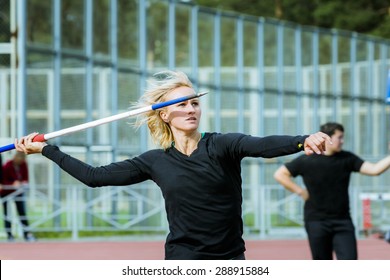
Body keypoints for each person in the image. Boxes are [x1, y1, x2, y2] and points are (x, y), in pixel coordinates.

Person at [14, 70, 331, 259]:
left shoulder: (221, 145)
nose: (192, 109)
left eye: (195, 102)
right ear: (165, 114)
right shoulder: (154, 161)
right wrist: (46, 150)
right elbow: (94, 177)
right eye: (182, 104)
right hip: (183, 258)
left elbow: (261, 145)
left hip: (232, 258)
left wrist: (303, 140)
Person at [273, 122, 390, 260]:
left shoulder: (347, 158)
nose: (342, 141)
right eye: (339, 137)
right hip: (316, 222)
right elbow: (280, 174)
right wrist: (300, 191)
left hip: (343, 221)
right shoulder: (307, 160)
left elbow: (374, 170)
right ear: (327, 138)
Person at [1, 151, 36, 242]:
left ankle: (27, 234)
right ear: (15, 158)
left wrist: (22, 183)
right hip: (6, 192)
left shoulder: (23, 165)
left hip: (18, 192)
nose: (20, 161)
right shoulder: (7, 166)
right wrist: (12, 184)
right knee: (7, 214)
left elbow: (25, 177)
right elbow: (3, 180)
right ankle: (9, 235)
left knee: (22, 212)